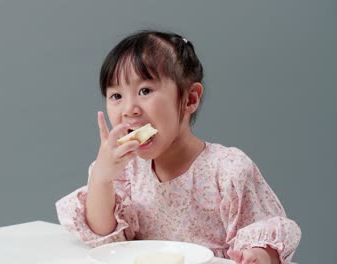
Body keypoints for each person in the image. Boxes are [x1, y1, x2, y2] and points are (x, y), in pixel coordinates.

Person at [55, 30, 301, 264]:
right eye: (116, 96)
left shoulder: (227, 170)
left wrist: (258, 255)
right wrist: (101, 177)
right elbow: (105, 237)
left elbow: (264, 236)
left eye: (145, 90)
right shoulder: (126, 172)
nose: (129, 109)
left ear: (190, 99)